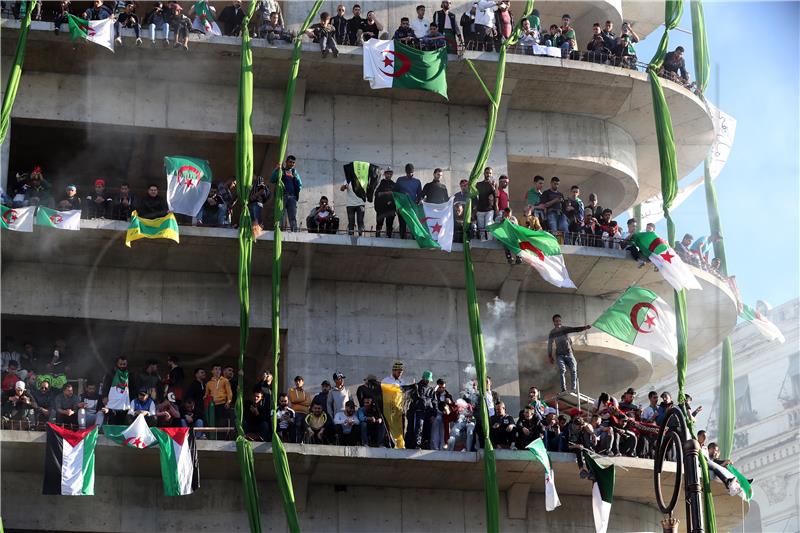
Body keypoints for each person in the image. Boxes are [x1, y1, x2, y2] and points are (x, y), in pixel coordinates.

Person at [547, 314, 591, 392]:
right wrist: (550, 356)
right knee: (562, 370)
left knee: (573, 370)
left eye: (559, 321)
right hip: (559, 355)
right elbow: (549, 344)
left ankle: (573, 389)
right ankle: (563, 389)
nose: (558, 322)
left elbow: (575, 329)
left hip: (569, 353)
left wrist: (584, 328)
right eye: (556, 321)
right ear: (554, 322)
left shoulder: (565, 329)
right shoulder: (552, 333)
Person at [270, 155, 303, 231]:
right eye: (290, 162)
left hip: (292, 197)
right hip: (282, 196)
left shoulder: (294, 172)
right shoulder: (281, 171)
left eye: (293, 163)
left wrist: (295, 192)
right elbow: (272, 179)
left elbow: (300, 185)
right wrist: (276, 169)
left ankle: (294, 231)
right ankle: (279, 230)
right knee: (280, 215)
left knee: (292, 216)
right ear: (286, 162)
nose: (292, 164)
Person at [405, 370, 435, 449]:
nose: (428, 381)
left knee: (427, 429)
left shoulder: (431, 389)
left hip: (428, 412)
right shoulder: (416, 387)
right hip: (418, 411)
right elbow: (411, 399)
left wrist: (433, 414)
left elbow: (435, 402)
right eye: (427, 379)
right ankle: (417, 444)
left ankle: (425, 444)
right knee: (419, 427)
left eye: (429, 380)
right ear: (424, 378)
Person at [393, 164, 422, 239]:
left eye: (411, 172)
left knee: (413, 224)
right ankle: (402, 240)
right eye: (408, 173)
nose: (410, 174)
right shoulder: (400, 180)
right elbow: (395, 193)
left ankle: (414, 239)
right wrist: (397, 206)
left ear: (413, 171)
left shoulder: (417, 182)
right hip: (402, 207)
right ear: (406, 172)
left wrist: (417, 205)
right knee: (402, 224)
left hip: (412, 207)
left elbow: (419, 195)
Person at [382, 361, 407, 449]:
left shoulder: (403, 382)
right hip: (388, 408)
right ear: (393, 371)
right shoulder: (386, 381)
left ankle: (400, 445)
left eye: (401, 372)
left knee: (400, 428)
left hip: (399, 409)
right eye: (398, 372)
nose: (400, 374)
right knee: (388, 427)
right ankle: (389, 444)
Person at [103, 356, 133, 425]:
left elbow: (133, 387)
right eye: (120, 364)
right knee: (112, 420)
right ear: (117, 364)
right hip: (113, 400)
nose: (122, 366)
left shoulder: (130, 374)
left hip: (124, 401)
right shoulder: (111, 373)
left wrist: (132, 400)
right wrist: (104, 396)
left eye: (124, 364)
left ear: (127, 364)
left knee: (122, 421)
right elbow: (105, 385)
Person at [204, 364, 233, 433]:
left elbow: (229, 393)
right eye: (216, 369)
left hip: (222, 404)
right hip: (212, 406)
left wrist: (228, 402)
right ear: (212, 371)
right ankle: (213, 437)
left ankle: (221, 439)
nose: (217, 371)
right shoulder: (209, 383)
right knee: (213, 422)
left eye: (219, 369)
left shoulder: (225, 380)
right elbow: (206, 394)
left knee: (221, 423)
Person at [430, 378, 454, 450]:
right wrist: (432, 415)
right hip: (436, 415)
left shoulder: (448, 395)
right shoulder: (433, 394)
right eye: (440, 387)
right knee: (435, 432)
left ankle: (443, 448)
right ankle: (435, 448)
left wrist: (450, 402)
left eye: (443, 387)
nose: (442, 389)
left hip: (445, 416)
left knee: (444, 432)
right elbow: (430, 405)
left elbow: (453, 406)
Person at [374, 167, 396, 238]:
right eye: (387, 174)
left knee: (389, 225)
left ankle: (389, 236)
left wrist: (391, 201)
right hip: (381, 209)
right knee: (379, 224)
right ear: (384, 174)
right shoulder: (380, 183)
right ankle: (377, 236)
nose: (389, 175)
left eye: (390, 174)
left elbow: (396, 197)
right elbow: (377, 194)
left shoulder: (394, 185)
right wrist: (387, 193)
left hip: (390, 209)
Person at [475, 167, 496, 239]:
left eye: (490, 173)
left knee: (488, 226)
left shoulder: (493, 184)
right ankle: (482, 243)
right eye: (487, 173)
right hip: (480, 209)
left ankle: (489, 242)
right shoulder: (479, 184)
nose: (488, 174)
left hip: (489, 209)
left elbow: (496, 195)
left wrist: (493, 188)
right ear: (484, 173)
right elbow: (474, 196)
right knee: (481, 228)